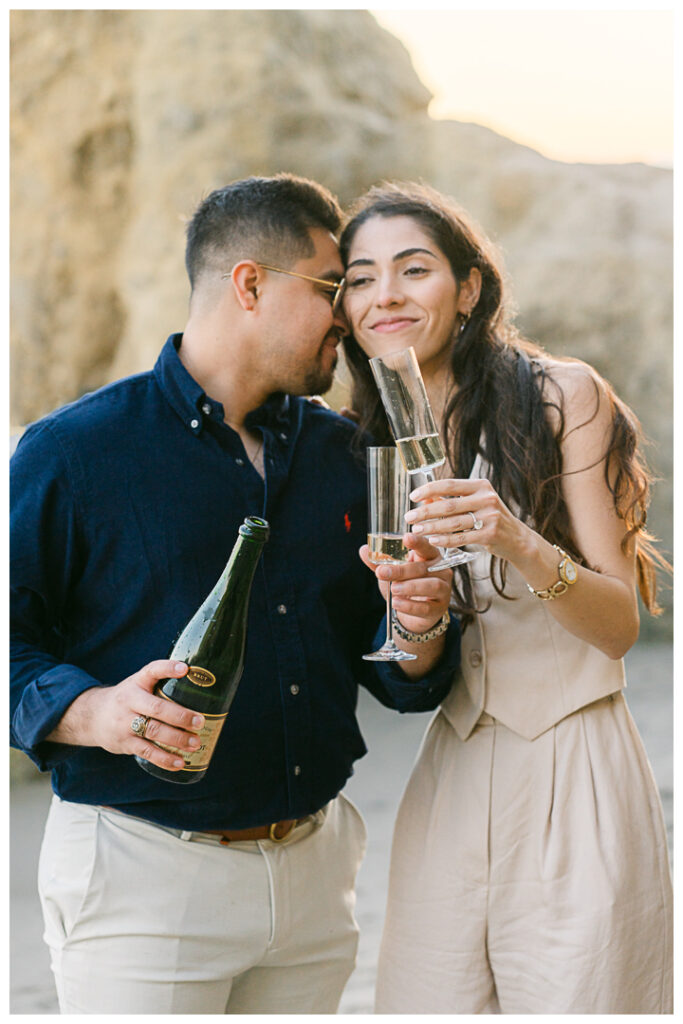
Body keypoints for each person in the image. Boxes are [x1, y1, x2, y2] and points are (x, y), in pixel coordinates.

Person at [9, 173, 460, 1015]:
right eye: (338, 285)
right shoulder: (72, 453)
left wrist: (421, 623)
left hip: (317, 878)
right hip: (141, 879)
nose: (351, 314)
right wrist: (96, 710)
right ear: (249, 284)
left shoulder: (348, 454)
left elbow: (401, 676)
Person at [339, 181, 673, 1014]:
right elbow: (413, 659)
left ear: (469, 289)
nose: (385, 294)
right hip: (452, 770)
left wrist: (515, 538)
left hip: (575, 764)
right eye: (359, 276)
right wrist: (413, 619)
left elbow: (618, 627)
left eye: (413, 270)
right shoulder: (364, 437)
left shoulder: (562, 395)